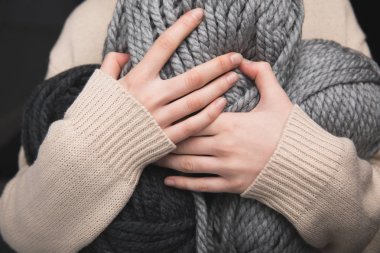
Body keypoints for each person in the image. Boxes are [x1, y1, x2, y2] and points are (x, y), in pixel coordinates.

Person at [0, 0, 379, 252]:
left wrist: (291, 163)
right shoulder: (93, 19)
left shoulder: (326, 8)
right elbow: (25, 234)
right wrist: (108, 137)